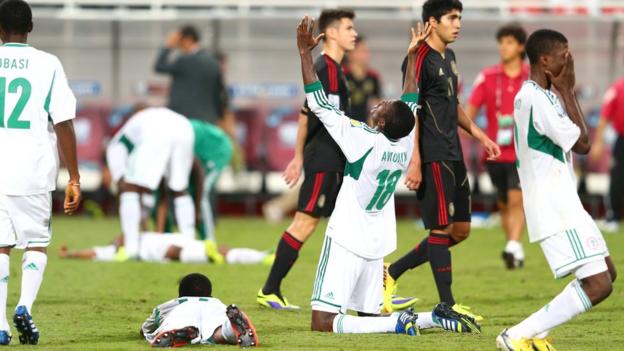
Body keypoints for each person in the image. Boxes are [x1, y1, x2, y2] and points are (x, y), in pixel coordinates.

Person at [297, 17, 479, 335]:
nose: (380, 104)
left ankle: (398, 321)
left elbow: (319, 102)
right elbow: (410, 95)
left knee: (322, 322)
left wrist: (303, 53)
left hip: (346, 236)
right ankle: (432, 317)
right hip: (378, 239)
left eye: (382, 107)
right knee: (368, 319)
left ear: (380, 123)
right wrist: (412, 57)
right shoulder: (405, 141)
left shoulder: (361, 139)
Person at [496, 29, 617, 351]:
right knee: (599, 283)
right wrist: (569, 90)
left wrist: (562, 91)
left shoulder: (542, 95)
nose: (570, 59)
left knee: (606, 273)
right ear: (545, 60)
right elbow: (583, 144)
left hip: (564, 202)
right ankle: (518, 334)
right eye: (565, 54)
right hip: (555, 205)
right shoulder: (536, 98)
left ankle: (530, 335)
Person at [383, 0, 500, 321]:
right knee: (440, 227)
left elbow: (453, 102)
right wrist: (415, 160)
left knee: (460, 230)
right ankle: (447, 304)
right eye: (451, 17)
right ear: (432, 22)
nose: (458, 23)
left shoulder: (450, 56)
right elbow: (412, 111)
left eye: (459, 17)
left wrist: (479, 135)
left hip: (454, 153)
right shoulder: (418, 57)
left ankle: (392, 271)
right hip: (432, 154)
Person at [257, 8, 359, 310]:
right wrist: (299, 158)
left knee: (353, 225)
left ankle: (366, 295)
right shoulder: (325, 69)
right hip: (324, 159)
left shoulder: (336, 70)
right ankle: (270, 289)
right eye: (349, 28)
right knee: (304, 223)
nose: (354, 33)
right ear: (332, 33)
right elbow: (307, 116)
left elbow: (306, 114)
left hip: (335, 160)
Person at [0, 0, 81, 345]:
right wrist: (74, 177)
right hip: (33, 168)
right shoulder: (48, 64)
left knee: (0, 246)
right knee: (36, 242)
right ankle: (25, 306)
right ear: (31, 27)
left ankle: (0, 325)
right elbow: (63, 122)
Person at [465, 23, 529, 269]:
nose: (504, 47)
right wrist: (473, 132)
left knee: (516, 199)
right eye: (501, 42)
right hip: (493, 153)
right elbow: (469, 111)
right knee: (503, 203)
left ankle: (513, 245)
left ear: (521, 46)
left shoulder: (531, 78)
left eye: (510, 42)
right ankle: (514, 246)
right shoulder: (488, 76)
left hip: (522, 153)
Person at [106, 107, 196, 260]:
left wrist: (131, 228)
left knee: (129, 189)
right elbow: (158, 191)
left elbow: (125, 187)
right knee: (180, 189)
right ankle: (191, 244)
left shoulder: (114, 148)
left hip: (158, 130)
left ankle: (131, 248)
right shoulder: (139, 127)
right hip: (185, 127)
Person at [141, 273, 258, 347]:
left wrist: (144, 330)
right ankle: (230, 328)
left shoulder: (169, 305)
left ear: (180, 294)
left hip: (180, 313)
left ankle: (180, 334)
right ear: (209, 293)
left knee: (170, 326)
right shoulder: (217, 303)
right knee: (218, 332)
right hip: (213, 311)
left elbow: (145, 329)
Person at [154, 25, 226, 126]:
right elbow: (219, 93)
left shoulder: (184, 61)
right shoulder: (213, 62)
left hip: (184, 121)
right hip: (207, 121)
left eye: (180, 42)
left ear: (188, 40)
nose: (178, 47)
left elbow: (159, 66)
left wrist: (169, 46)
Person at [59, 232, 273, 265]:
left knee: (224, 250)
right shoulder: (118, 252)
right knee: (176, 252)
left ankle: (262, 257)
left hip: (179, 239)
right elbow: (93, 253)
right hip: (169, 249)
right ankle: (207, 254)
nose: (120, 235)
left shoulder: (139, 234)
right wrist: (69, 254)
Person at [590, 79, 624, 233]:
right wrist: (598, 143)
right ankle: (614, 217)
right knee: (617, 178)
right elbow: (604, 117)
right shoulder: (618, 88)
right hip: (622, 140)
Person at [345, 36, 382, 120]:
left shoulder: (373, 76)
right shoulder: (342, 75)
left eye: (367, 51)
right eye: (362, 51)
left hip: (364, 127)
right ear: (351, 53)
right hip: (344, 126)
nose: (366, 54)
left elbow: (376, 103)